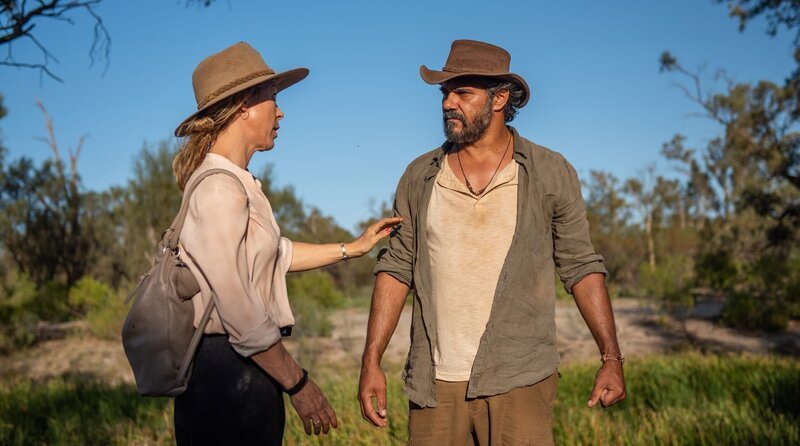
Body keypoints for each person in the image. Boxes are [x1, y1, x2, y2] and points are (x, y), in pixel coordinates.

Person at [357, 39, 627, 445]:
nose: (448, 103)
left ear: (500, 98)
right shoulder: (419, 176)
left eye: (463, 93)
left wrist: (611, 357)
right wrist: (371, 361)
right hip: (435, 384)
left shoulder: (550, 172)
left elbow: (581, 267)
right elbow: (395, 270)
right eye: (444, 93)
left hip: (520, 377)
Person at [170, 41, 401, 445]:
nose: (280, 112)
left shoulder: (237, 182)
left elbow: (277, 254)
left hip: (244, 371)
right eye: (272, 98)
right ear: (243, 106)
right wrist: (298, 383)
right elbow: (238, 308)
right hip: (228, 379)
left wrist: (353, 247)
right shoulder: (219, 189)